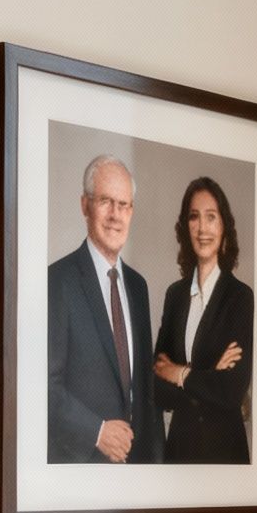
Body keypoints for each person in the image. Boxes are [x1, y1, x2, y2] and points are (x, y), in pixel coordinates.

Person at [47, 154, 161, 464]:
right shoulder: (57, 281)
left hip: (137, 473)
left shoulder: (139, 287)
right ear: (85, 205)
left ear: (132, 212)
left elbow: (147, 395)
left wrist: (158, 470)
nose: (115, 215)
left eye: (123, 205)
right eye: (105, 202)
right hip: (80, 470)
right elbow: (41, 384)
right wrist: (95, 432)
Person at [151, 177, 253, 464]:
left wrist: (181, 374)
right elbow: (157, 386)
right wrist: (209, 376)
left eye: (211, 217)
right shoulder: (175, 296)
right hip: (180, 452)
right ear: (186, 226)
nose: (202, 227)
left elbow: (232, 391)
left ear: (224, 227)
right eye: (194, 217)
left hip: (225, 454)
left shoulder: (241, 298)